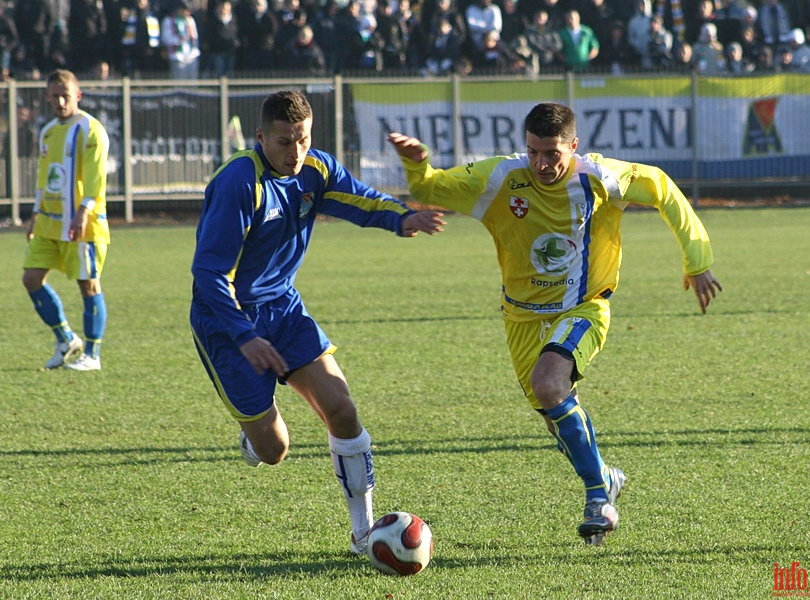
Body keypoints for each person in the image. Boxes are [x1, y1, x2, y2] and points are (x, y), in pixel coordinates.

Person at [389, 102, 722, 546]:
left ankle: (598, 496)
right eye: (533, 152)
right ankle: (604, 475)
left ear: (574, 146)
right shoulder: (500, 178)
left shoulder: (600, 177)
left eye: (552, 154)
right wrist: (418, 162)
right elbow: (432, 186)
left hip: (583, 307)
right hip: (521, 317)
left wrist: (697, 260)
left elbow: (662, 187)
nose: (542, 164)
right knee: (555, 416)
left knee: (550, 385)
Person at [189, 90, 445, 555]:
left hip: (284, 310)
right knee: (275, 450)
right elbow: (209, 274)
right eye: (285, 142)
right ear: (261, 137)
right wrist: (244, 336)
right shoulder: (239, 184)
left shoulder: (316, 168)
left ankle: (363, 533)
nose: (295, 152)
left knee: (342, 409)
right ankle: (255, 439)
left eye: (303, 140)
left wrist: (404, 218)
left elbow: (360, 200)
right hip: (227, 323)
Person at [23, 69, 111, 372]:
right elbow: (44, 178)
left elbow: (97, 177)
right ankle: (65, 339)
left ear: (78, 96)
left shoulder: (90, 129)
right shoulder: (48, 131)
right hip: (49, 221)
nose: (61, 101)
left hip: (82, 222)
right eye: (55, 96)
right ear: (47, 96)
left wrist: (83, 210)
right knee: (31, 279)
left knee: (88, 284)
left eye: (66, 95)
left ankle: (93, 354)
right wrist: (35, 214)